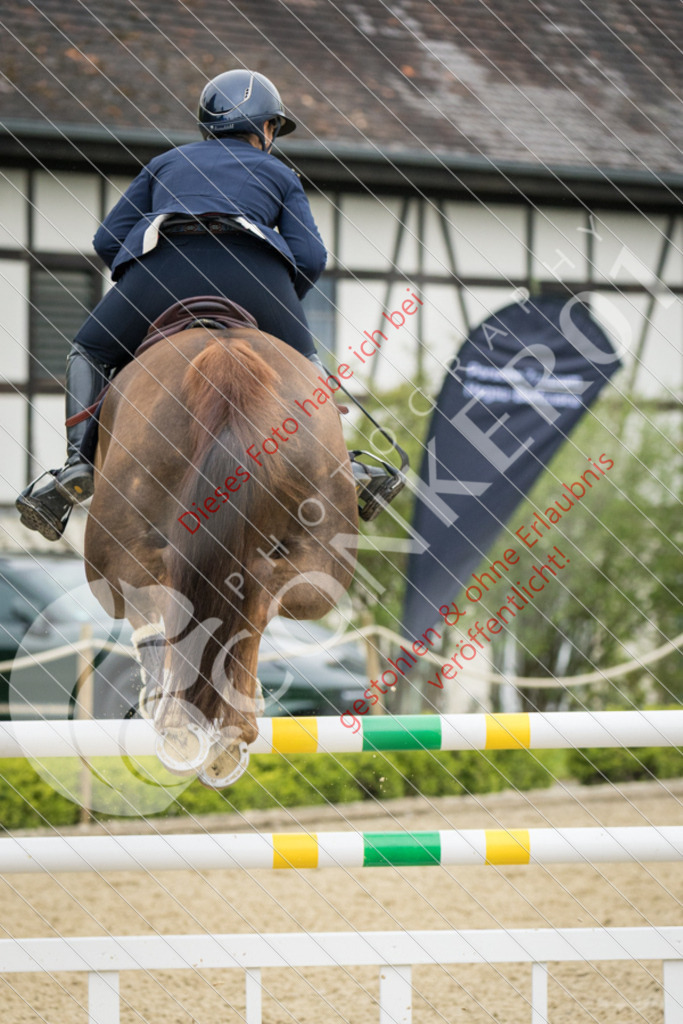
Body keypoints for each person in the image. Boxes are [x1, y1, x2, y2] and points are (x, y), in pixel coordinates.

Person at [17, 69, 401, 541]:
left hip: (165, 271)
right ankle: (345, 471)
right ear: (263, 128)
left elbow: (107, 238)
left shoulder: (166, 163)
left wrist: (139, 275)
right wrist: (277, 307)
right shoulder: (279, 173)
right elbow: (311, 256)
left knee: (90, 350)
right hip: (255, 280)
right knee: (307, 364)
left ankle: (77, 467)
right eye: (273, 129)